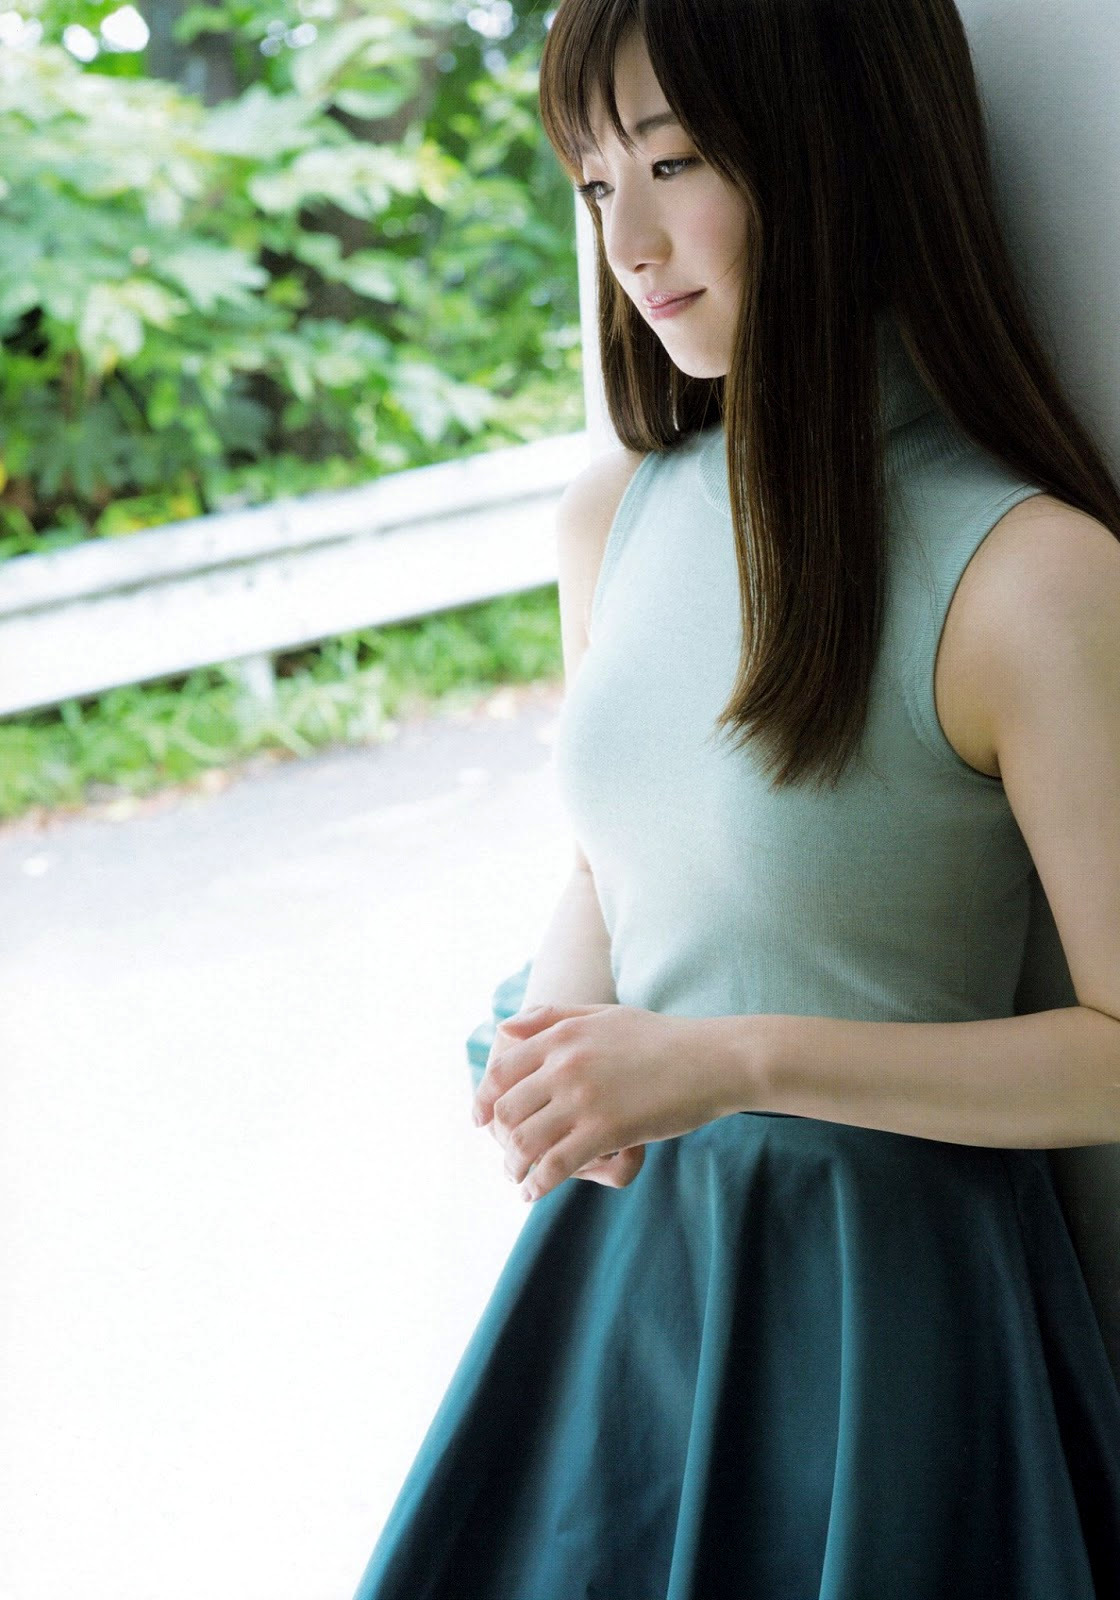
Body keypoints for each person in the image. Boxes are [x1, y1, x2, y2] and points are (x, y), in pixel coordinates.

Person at [351, 1, 1120, 1593]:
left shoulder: (1030, 576)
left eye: (675, 161)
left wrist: (728, 1061)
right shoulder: (614, 515)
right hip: (630, 1285)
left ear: (841, 156)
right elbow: (611, 863)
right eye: (592, 182)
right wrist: (551, 1042)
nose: (626, 241)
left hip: (885, 1329)